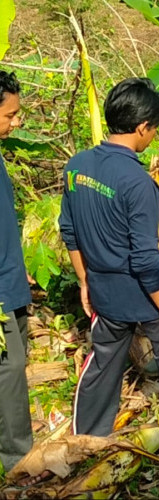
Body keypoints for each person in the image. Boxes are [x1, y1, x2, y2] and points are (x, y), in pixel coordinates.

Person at [59, 78, 159, 479]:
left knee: (101, 364)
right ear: (142, 127)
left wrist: (85, 281)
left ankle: (84, 443)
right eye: (156, 127)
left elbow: (69, 231)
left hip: (104, 292)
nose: (155, 134)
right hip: (147, 295)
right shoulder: (138, 183)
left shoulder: (77, 166)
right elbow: (145, 259)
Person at [0, 71, 33, 476]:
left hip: (10, 275)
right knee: (8, 364)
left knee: (15, 357)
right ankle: (16, 456)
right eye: (10, 115)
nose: (15, 122)